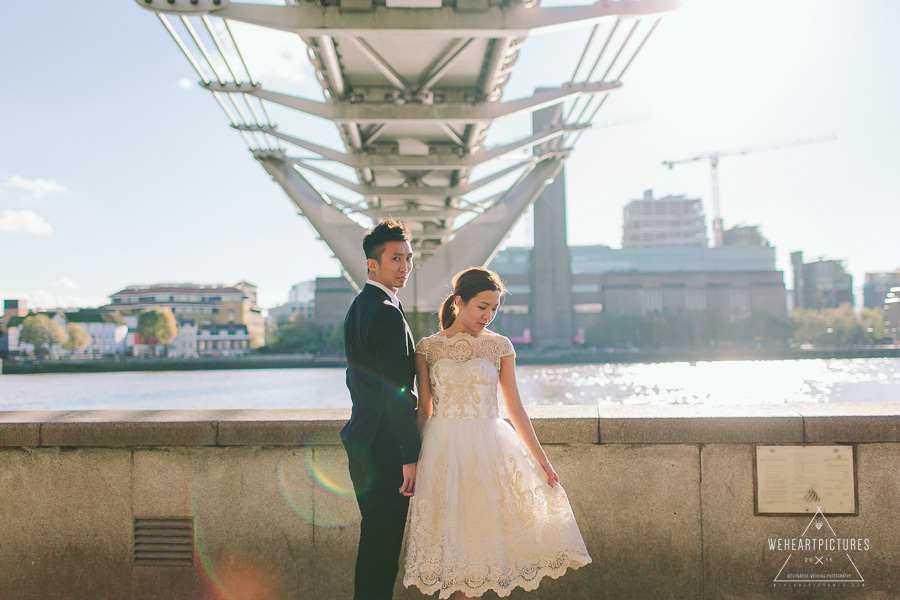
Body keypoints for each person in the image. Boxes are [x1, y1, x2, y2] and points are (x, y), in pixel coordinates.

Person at [404, 267, 592, 599]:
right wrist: (409, 460)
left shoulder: (500, 346)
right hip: (441, 455)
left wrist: (543, 463)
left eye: (494, 308)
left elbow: (515, 409)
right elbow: (424, 409)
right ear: (459, 302)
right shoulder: (428, 347)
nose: (488, 316)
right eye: (482, 307)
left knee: (477, 552)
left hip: (486, 454)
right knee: (452, 553)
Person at [342, 218, 421, 600]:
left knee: (375, 544)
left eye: (408, 258)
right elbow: (397, 392)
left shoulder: (359, 307)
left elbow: (355, 380)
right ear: (372, 264)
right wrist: (409, 456)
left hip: (362, 440)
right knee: (382, 551)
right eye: (395, 259)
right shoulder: (386, 312)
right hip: (386, 450)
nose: (404, 266)